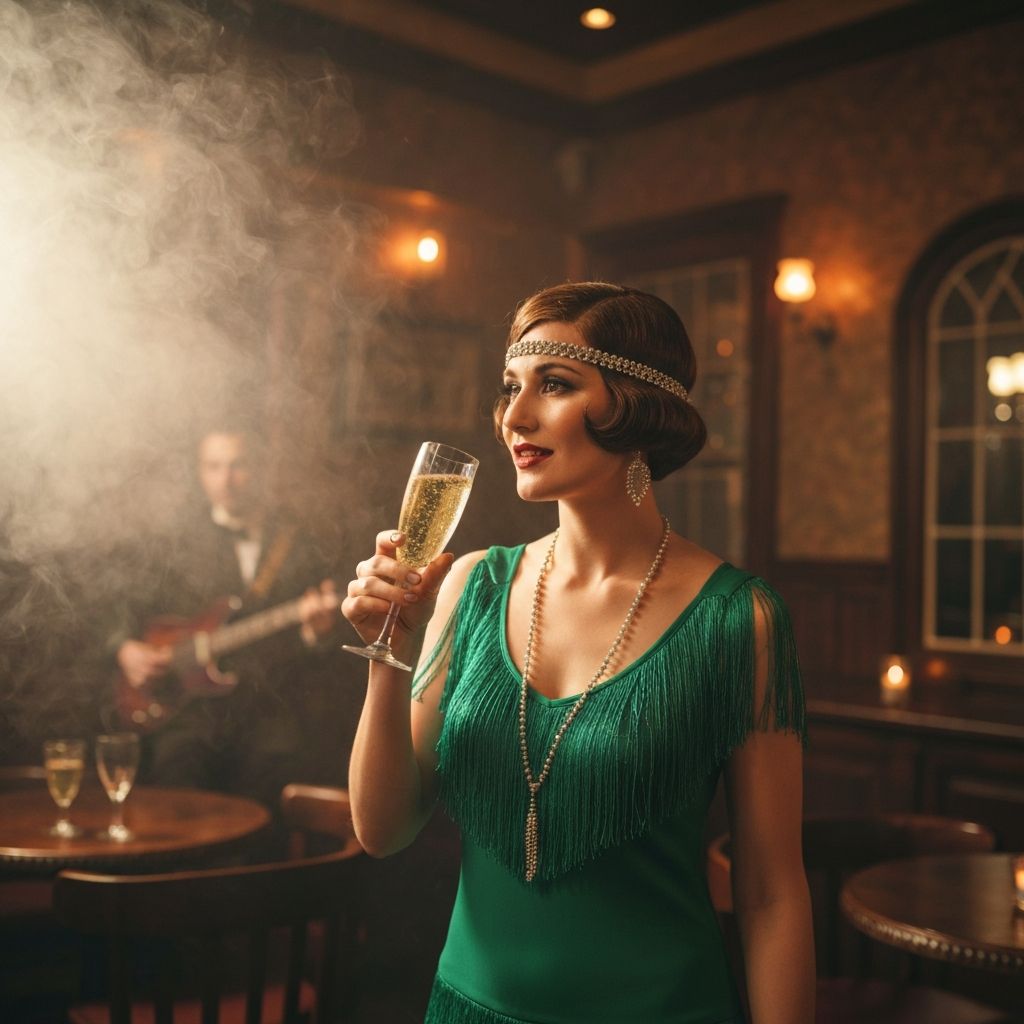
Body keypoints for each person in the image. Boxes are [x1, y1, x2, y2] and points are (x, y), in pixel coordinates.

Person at [343, 282, 815, 1024]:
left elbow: (770, 894)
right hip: (467, 1010)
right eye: (509, 389)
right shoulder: (472, 585)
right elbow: (381, 828)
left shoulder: (738, 619)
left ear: (636, 404)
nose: (514, 418)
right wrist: (387, 650)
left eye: (554, 385)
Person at [109, 426, 341, 810]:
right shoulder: (173, 539)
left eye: (237, 466)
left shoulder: (300, 539)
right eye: (213, 467)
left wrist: (317, 635)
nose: (225, 480)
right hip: (187, 711)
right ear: (200, 471)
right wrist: (124, 649)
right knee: (173, 788)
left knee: (277, 785)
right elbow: (119, 606)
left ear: (261, 469)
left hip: (268, 708)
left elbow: (323, 651)